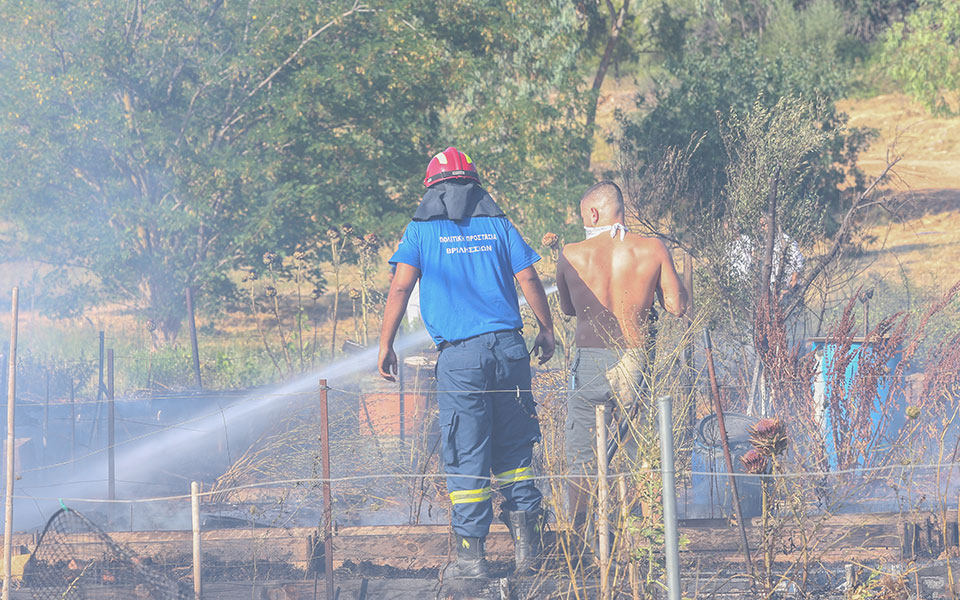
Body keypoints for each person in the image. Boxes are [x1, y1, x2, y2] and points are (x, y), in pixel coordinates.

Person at [377, 147, 556, 578]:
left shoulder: (420, 232)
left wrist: (385, 345)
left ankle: (472, 563)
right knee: (514, 452)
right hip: (510, 352)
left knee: (466, 454)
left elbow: (400, 289)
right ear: (475, 185)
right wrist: (547, 330)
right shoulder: (497, 223)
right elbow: (529, 276)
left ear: (431, 190)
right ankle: (528, 556)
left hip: (461, 359)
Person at [555, 181, 688, 549]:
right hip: (635, 359)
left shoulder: (570, 253)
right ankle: (645, 537)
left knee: (582, 453)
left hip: (590, 362)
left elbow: (568, 309)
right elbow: (676, 307)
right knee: (638, 449)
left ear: (593, 214)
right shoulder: (652, 249)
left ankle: (584, 539)